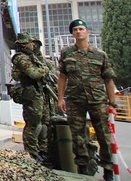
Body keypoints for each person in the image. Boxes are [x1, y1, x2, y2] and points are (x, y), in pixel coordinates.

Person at [57, 18, 117, 180]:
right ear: (72, 34)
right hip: (75, 101)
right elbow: (62, 76)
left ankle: (108, 170)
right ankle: (83, 169)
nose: (78, 31)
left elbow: (108, 79)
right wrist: (60, 98)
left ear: (87, 32)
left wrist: (113, 102)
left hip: (98, 100)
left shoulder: (100, 54)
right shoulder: (66, 53)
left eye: (81, 29)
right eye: (75, 30)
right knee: (78, 136)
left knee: (104, 135)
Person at [11, 32, 54, 164]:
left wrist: (39, 53)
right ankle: (32, 154)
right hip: (31, 94)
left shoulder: (32, 56)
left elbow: (48, 66)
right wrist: (45, 70)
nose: (33, 45)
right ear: (25, 44)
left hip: (39, 92)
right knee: (33, 125)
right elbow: (34, 73)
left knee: (44, 122)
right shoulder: (21, 58)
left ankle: (42, 151)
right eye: (32, 43)